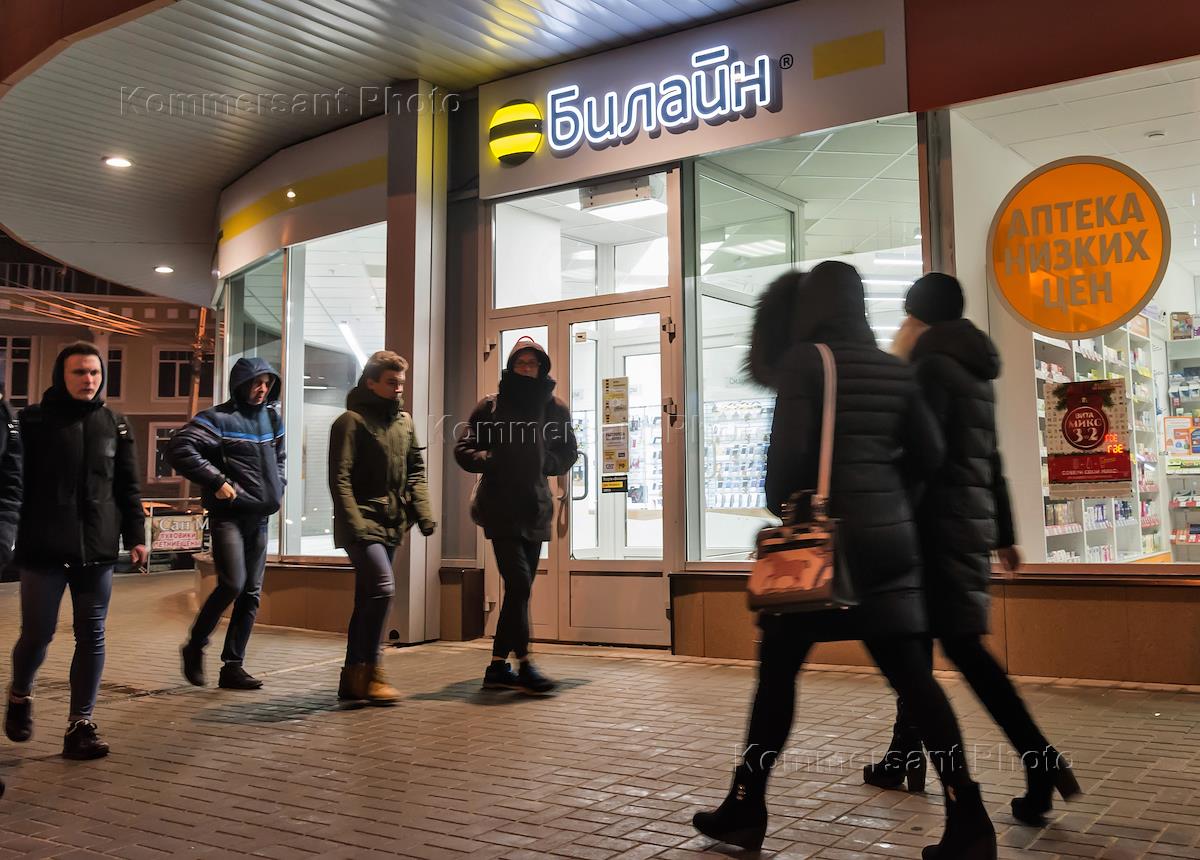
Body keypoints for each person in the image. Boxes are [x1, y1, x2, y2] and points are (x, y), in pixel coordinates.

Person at [691, 263, 997, 859]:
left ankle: (747, 805)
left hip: (824, 553)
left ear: (812, 307)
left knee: (777, 676)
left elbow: (784, 467)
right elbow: (930, 453)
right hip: (892, 549)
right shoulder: (893, 368)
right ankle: (969, 819)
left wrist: (791, 505)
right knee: (915, 683)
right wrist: (889, 500)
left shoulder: (807, 363)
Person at [864, 272, 1080, 826]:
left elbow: (924, 455)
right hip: (965, 529)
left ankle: (1039, 762)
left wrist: (890, 520)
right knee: (930, 651)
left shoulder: (931, 366)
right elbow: (990, 458)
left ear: (918, 319)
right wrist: (1003, 533)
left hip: (932, 532)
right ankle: (907, 755)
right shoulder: (973, 370)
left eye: (907, 317)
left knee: (943, 654)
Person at [5, 343, 148, 760]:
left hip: (96, 550)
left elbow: (128, 487)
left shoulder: (115, 425)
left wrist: (136, 536)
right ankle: (19, 694)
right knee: (38, 633)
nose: (88, 380)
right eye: (79, 372)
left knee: (92, 634)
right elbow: (13, 482)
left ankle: (80, 725)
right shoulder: (31, 422)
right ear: (60, 376)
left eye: (94, 373)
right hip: (43, 549)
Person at [455, 336, 577, 695]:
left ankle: (496, 668)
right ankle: (524, 664)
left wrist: (545, 463)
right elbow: (464, 448)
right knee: (520, 584)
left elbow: (568, 451)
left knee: (517, 591)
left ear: (541, 367)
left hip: (535, 507)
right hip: (500, 507)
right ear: (511, 367)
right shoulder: (491, 406)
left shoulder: (554, 408)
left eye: (532, 363)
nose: (527, 369)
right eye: (521, 363)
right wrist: (491, 459)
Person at [168, 357, 284, 691]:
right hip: (228, 517)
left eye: (267, 383)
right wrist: (217, 481)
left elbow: (280, 458)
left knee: (251, 593)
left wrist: (279, 485)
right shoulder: (217, 419)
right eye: (256, 382)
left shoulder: (272, 418)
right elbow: (179, 448)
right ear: (240, 384)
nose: (262, 389)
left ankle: (233, 666)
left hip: (260, 518)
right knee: (232, 584)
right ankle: (195, 644)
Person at [329, 350, 436, 704]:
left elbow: (416, 471)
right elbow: (340, 479)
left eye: (401, 383)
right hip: (361, 522)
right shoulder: (350, 422)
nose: (398, 389)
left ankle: (353, 679)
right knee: (383, 588)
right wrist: (356, 525)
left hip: (392, 523)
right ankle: (373, 671)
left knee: (369, 599)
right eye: (391, 382)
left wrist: (424, 514)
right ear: (371, 382)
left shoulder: (403, 422)